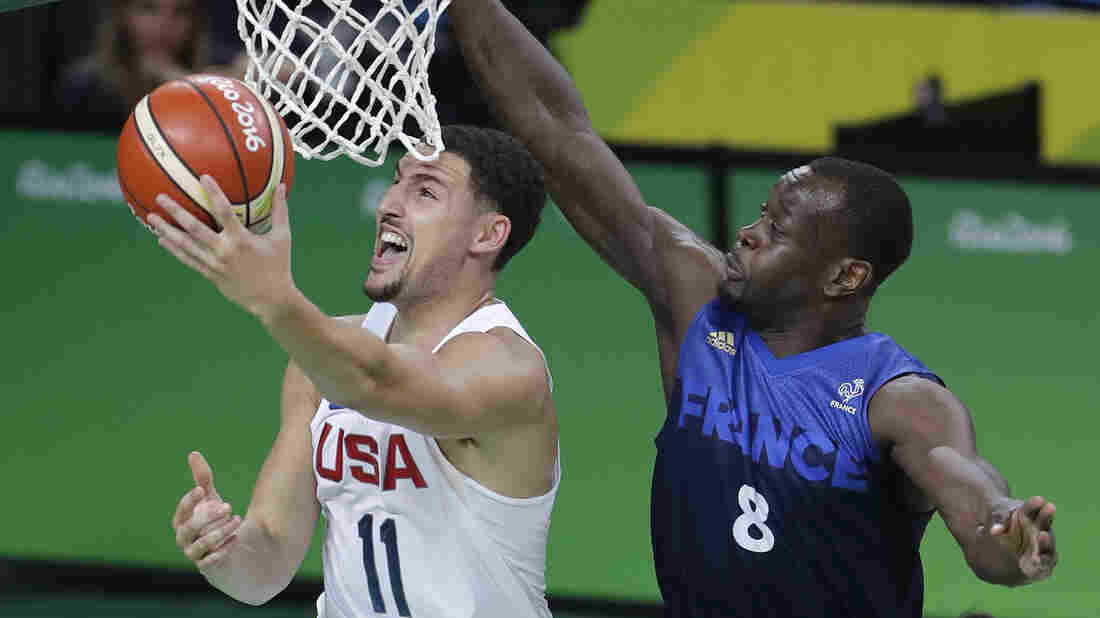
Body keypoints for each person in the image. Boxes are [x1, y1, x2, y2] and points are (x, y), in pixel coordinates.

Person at [446, 2, 1059, 617]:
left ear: (845, 276)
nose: (747, 233)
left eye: (778, 231)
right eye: (761, 216)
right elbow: (558, 133)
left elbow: (973, 495)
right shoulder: (697, 302)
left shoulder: (896, 398)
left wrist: (1006, 530)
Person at [157, 125, 559, 618]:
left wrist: (272, 296)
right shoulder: (322, 361)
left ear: (488, 234)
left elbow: (377, 382)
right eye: (397, 180)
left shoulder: (508, 366)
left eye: (426, 191)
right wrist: (220, 551)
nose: (390, 203)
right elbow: (264, 569)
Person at [56, 0, 245, 133]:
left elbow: (263, 64)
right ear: (123, 13)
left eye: (181, 12)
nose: (164, 25)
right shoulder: (83, 86)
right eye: (149, 8)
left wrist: (179, 80)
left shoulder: (213, 66)